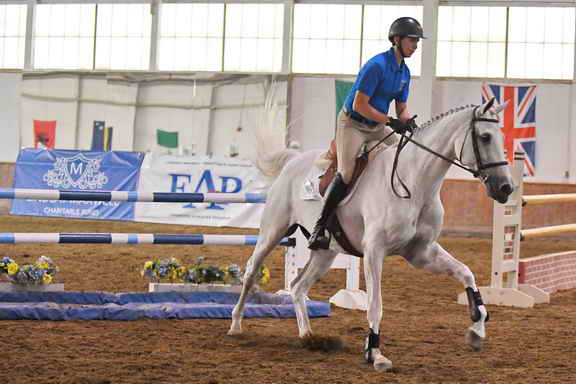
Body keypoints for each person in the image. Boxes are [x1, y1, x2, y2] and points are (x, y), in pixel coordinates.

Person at [308, 17, 426, 250]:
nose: (416, 45)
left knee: (404, 154)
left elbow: (401, 107)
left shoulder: (405, 72)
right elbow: (360, 105)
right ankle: (320, 227)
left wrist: (407, 121)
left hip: (377, 125)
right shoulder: (377, 66)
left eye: (416, 41)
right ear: (397, 40)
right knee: (347, 172)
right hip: (353, 124)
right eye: (412, 40)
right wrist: (390, 121)